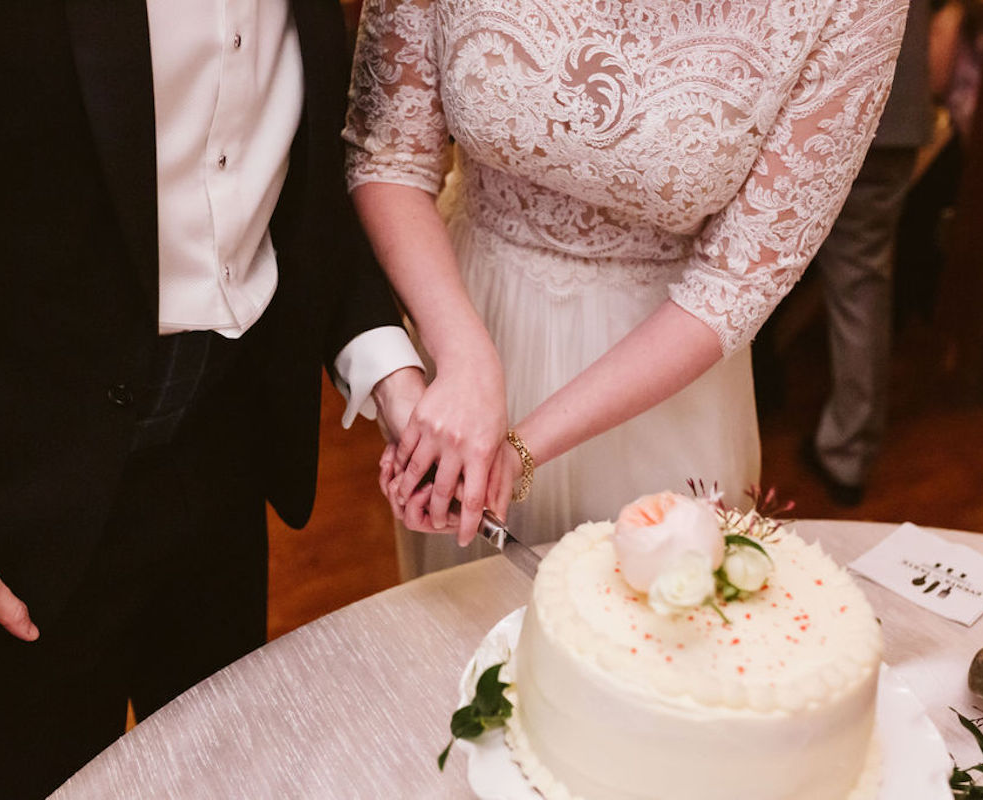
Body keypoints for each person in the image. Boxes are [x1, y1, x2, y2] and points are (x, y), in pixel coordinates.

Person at [0, 2, 425, 798]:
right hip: (6, 506)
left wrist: (383, 360)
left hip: (223, 454)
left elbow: (295, 143)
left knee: (228, 778)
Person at [344, 0, 911, 577]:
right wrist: (463, 358)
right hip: (464, 311)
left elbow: (739, 279)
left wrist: (519, 451)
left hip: (662, 363)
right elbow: (390, 153)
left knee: (655, 623)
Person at [800, 0, 935, 506]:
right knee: (862, 285)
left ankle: (758, 402)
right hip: (898, 115)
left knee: (741, 265)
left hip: (815, 108)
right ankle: (849, 453)